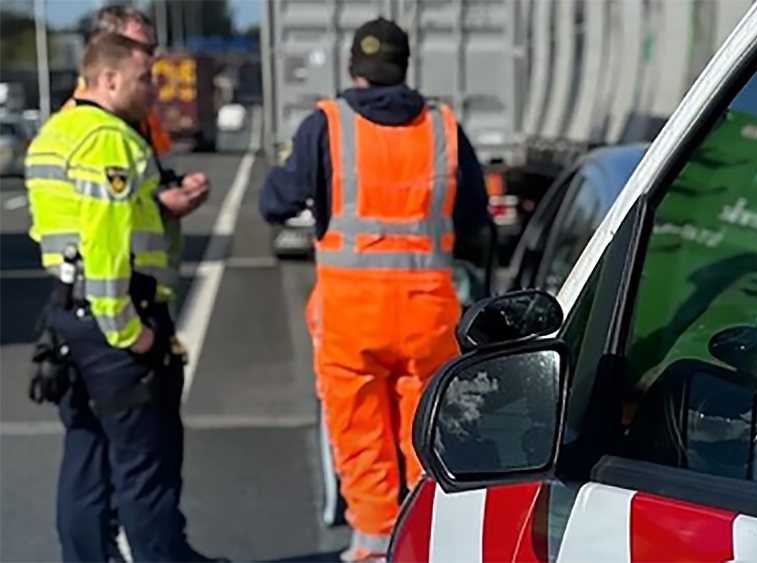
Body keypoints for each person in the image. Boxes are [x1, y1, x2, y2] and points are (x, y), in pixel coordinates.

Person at [259, 17, 494, 562]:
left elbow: (275, 203)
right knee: (427, 433)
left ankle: (372, 544)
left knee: (360, 437)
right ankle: (427, 539)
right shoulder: (442, 127)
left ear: (352, 69)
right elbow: (476, 217)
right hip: (426, 314)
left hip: (351, 315)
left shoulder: (328, 126)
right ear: (405, 66)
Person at [24, 33, 221, 563]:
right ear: (108, 80)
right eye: (144, 77)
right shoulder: (111, 140)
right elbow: (105, 244)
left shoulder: (52, 135)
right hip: (115, 321)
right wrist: (131, 331)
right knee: (144, 468)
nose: (153, 88)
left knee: (85, 457)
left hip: (67, 317)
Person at [63, 5, 209, 314]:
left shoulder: (134, 115)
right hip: (113, 296)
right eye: (141, 48)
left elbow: (142, 181)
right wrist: (163, 204)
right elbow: (101, 209)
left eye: (152, 49)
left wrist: (176, 186)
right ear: (106, 50)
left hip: (144, 285)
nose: (152, 58)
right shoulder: (86, 124)